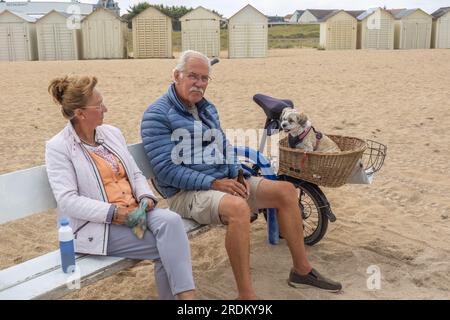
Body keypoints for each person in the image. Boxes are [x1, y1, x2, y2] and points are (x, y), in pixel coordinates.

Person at [141, 50, 342, 300]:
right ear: (176, 75)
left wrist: (237, 174)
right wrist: (214, 182)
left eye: (205, 78)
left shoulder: (206, 108)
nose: (199, 84)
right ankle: (246, 296)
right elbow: (166, 171)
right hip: (187, 193)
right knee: (238, 209)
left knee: (286, 191)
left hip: (223, 183)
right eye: (193, 76)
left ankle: (301, 271)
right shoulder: (156, 115)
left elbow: (224, 145)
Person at [45, 75, 195, 300]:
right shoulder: (59, 147)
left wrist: (145, 196)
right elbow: (68, 200)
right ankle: (188, 300)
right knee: (169, 248)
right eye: (99, 105)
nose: (105, 108)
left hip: (136, 212)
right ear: (80, 113)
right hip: (96, 226)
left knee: (172, 222)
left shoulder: (111, 133)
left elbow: (135, 173)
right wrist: (116, 213)